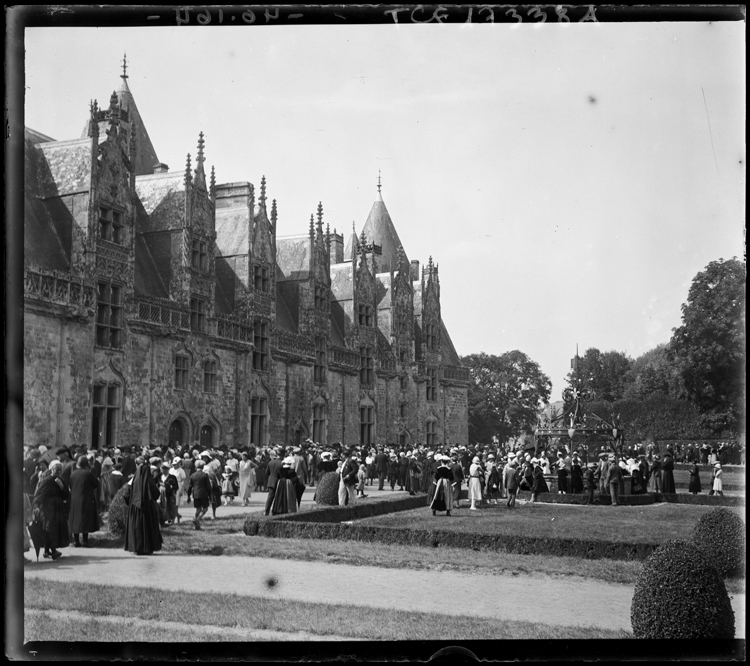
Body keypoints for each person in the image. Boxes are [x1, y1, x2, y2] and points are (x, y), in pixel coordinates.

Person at [31, 460, 70, 560]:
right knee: (50, 527)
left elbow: (66, 495)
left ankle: (47, 550)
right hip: (48, 507)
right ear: (51, 469)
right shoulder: (47, 480)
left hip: (58, 508)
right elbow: (39, 493)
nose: (58, 471)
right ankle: (53, 551)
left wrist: (62, 487)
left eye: (60, 469)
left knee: (53, 528)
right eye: (57, 469)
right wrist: (36, 506)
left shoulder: (60, 480)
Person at [124, 460, 163, 555]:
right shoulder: (149, 481)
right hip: (148, 509)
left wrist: (131, 504)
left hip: (135, 509)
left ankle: (136, 548)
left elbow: (126, 495)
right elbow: (156, 494)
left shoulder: (133, 481)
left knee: (136, 528)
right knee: (148, 528)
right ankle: (148, 548)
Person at [68, 455, 100, 547]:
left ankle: (76, 541)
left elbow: (70, 485)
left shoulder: (73, 473)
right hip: (86, 498)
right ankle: (85, 541)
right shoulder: (88, 473)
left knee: (75, 519)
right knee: (85, 519)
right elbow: (96, 484)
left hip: (74, 499)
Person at [187, 459, 211, 529]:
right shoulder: (205, 475)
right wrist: (210, 495)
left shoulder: (192, 475)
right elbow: (208, 486)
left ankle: (197, 526)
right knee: (205, 509)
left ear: (195, 467)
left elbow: (190, 486)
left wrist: (188, 496)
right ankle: (197, 519)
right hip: (204, 494)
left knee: (198, 509)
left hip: (196, 494)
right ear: (203, 467)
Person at [264, 450, 284, 516]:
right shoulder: (282, 463)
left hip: (271, 481)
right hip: (278, 481)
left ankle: (266, 511)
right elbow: (282, 474)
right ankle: (275, 511)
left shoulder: (270, 462)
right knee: (278, 497)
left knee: (270, 497)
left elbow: (267, 472)